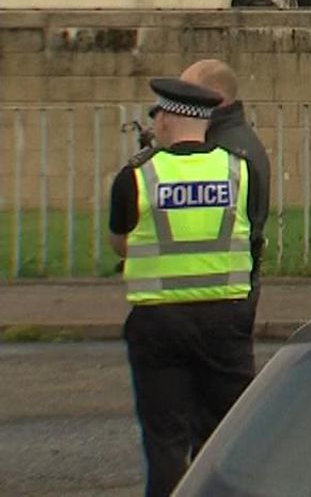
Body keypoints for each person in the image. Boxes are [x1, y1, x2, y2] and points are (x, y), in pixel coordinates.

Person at [111, 78, 258, 497]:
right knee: (229, 438)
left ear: (167, 119)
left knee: (165, 443)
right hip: (225, 321)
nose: (154, 123)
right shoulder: (239, 169)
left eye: (157, 115)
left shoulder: (137, 175)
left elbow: (120, 241)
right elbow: (250, 229)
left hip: (159, 323)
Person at [183, 59, 270, 302]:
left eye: (188, 94)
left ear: (217, 98)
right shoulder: (233, 140)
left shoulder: (226, 151)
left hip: (221, 289)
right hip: (228, 285)